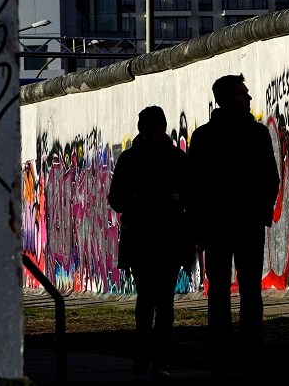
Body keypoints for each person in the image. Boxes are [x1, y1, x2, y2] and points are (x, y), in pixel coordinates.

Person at [187, 74, 280, 375]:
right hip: (241, 223)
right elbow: (270, 178)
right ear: (226, 99)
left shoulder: (204, 137)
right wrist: (261, 212)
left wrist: (200, 225)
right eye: (243, 94)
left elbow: (194, 187)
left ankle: (222, 346)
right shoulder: (254, 135)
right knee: (247, 288)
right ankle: (248, 346)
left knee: (225, 290)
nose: (248, 99)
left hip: (220, 225)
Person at [108, 106, 193, 379]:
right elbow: (117, 199)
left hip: (147, 238)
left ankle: (150, 358)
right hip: (160, 238)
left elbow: (118, 200)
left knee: (153, 301)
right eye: (153, 129)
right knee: (155, 301)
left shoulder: (131, 160)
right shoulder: (175, 159)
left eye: (158, 129)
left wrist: (138, 199)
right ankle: (156, 360)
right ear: (144, 130)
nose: (156, 134)